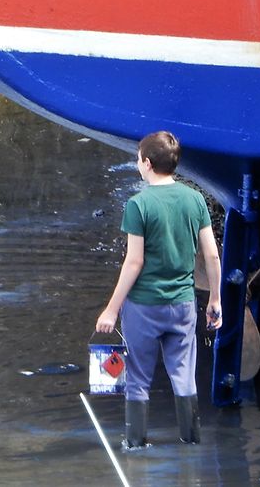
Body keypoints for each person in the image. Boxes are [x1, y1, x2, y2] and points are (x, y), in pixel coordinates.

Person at [95, 130, 223, 448]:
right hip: (183, 304)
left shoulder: (138, 205)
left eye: (138, 159)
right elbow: (211, 255)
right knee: (184, 377)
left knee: (138, 379)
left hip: (143, 306)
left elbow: (134, 262)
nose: (138, 164)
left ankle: (135, 447)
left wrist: (111, 309)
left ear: (148, 163)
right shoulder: (195, 200)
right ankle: (191, 444)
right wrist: (215, 299)